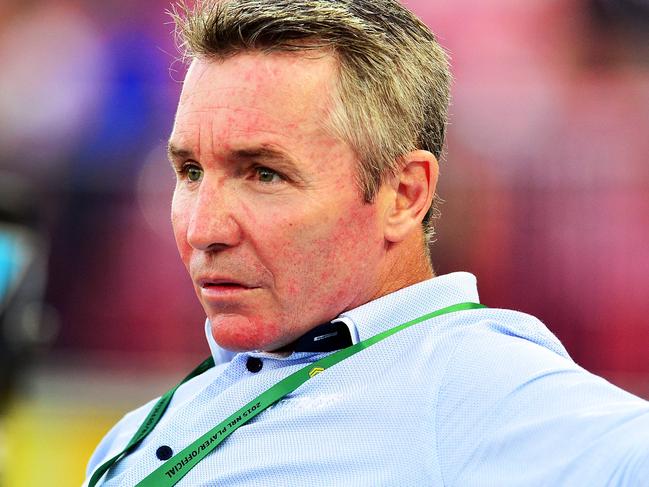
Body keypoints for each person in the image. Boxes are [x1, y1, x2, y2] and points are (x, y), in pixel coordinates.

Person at [84, 0, 649, 485]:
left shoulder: (468, 385)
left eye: (264, 174)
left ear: (404, 194)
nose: (204, 229)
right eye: (189, 172)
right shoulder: (129, 437)